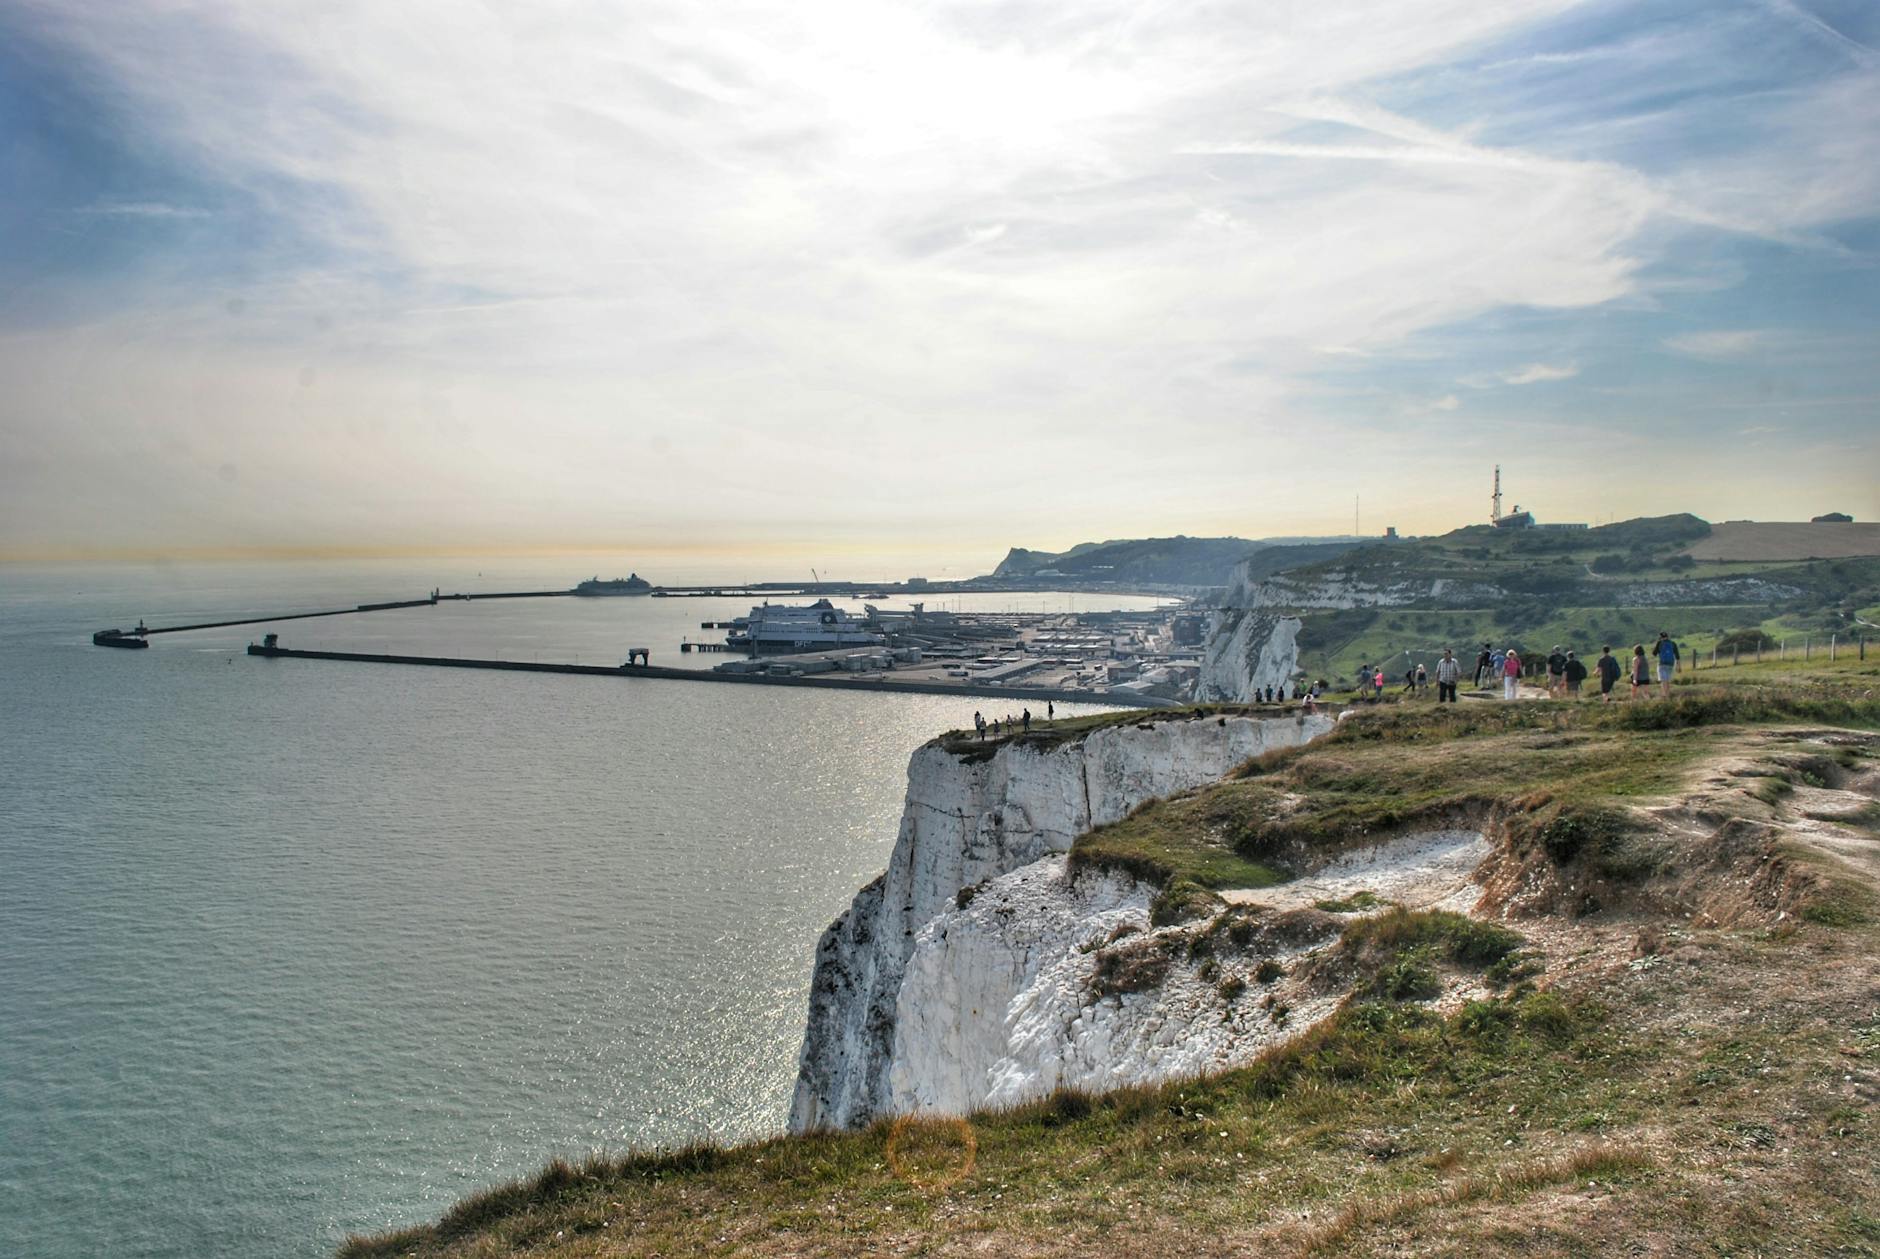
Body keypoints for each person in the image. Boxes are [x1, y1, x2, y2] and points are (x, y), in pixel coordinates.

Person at [1654, 631, 1680, 698]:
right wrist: (1678, 665)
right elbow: (1677, 656)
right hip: (1670, 664)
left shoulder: (1659, 643)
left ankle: (1665, 695)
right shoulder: (1673, 643)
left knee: (1663, 680)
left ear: (1660, 637)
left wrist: (1656, 644)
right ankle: (1667, 695)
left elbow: (1654, 653)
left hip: (1662, 664)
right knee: (1667, 680)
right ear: (1668, 637)